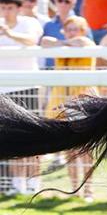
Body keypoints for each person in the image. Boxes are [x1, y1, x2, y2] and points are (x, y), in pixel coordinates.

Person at [40, 14, 96, 201]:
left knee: (86, 150)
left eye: (75, 29)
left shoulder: (85, 42)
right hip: (62, 100)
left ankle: (88, 189)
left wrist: (65, 42)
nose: (72, 33)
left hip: (83, 100)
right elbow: (44, 41)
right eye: (69, 29)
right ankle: (74, 189)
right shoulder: (62, 45)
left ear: (82, 30)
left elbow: (82, 43)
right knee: (69, 149)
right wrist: (63, 43)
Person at [0, 0, 42, 196]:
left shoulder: (29, 23)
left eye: (10, 7)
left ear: (18, 8)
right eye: (3, 7)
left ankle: (34, 181)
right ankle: (16, 183)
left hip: (27, 86)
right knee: (9, 135)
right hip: (3, 89)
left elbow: (32, 40)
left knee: (32, 134)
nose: (6, 11)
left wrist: (8, 33)